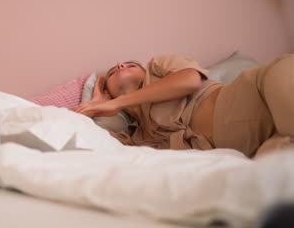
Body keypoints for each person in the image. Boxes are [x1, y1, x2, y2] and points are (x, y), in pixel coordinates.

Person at [73, 54, 294, 157]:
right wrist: (95, 106)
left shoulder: (158, 67)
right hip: (252, 143)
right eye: (112, 71)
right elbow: (91, 144)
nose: (120, 64)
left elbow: (191, 80)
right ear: (109, 92)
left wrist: (118, 102)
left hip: (258, 91)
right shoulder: (136, 137)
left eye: (130, 64)